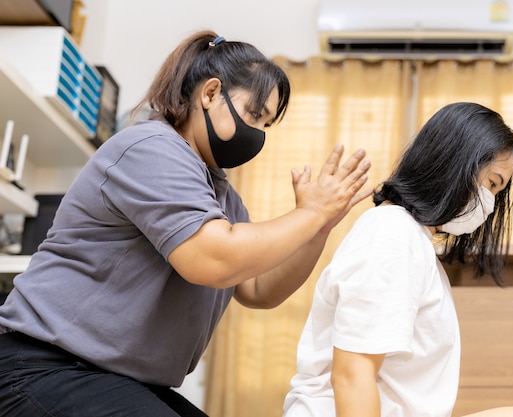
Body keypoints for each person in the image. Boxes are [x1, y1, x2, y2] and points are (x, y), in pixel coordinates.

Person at [0, 30, 372, 417]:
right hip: (42, 366)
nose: (258, 136)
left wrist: (319, 226)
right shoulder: (151, 148)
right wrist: (310, 213)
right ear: (210, 94)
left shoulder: (221, 196)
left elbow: (260, 288)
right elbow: (212, 259)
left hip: (115, 378)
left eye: (265, 126)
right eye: (253, 116)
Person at [282, 102, 513, 417]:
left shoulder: (409, 238)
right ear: (454, 164)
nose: (489, 203)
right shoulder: (393, 235)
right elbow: (352, 374)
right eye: (491, 183)